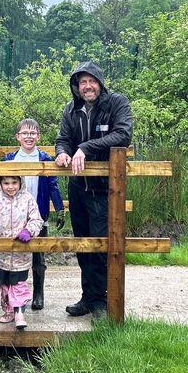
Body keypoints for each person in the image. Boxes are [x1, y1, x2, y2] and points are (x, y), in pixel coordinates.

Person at [54, 61, 132, 319]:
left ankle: (101, 301)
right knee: (83, 245)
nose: (87, 86)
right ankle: (88, 297)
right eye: (82, 82)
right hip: (78, 188)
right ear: (76, 87)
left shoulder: (117, 103)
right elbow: (62, 139)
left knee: (100, 246)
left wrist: (86, 147)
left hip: (104, 190)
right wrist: (62, 153)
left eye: (91, 81)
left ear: (99, 82)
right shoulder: (71, 109)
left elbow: (123, 135)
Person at [4, 118, 65, 310]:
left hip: (39, 215)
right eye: (25, 133)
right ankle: (13, 295)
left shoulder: (45, 159)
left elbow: (53, 185)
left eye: (32, 133)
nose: (28, 137)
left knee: (38, 258)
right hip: (14, 215)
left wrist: (60, 209)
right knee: (13, 256)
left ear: (38, 136)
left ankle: (39, 295)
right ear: (17, 136)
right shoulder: (10, 159)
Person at [0, 176, 44, 329]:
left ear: (20, 183)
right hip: (1, 254)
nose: (10, 187)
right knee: (4, 284)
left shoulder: (27, 199)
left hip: (21, 252)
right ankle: (8, 310)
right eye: (6, 183)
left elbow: (36, 219)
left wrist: (29, 230)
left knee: (18, 284)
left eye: (14, 183)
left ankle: (19, 313)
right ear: (0, 183)